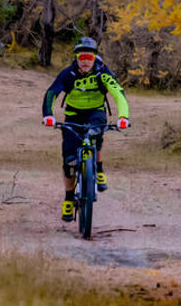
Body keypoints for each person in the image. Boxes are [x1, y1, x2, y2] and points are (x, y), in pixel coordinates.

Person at [42, 37, 129, 221]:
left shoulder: (102, 73)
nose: (85, 61)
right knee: (69, 162)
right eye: (82, 57)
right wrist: (48, 115)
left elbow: (118, 93)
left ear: (94, 57)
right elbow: (52, 92)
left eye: (89, 57)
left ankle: (98, 170)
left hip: (95, 113)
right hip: (72, 115)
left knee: (95, 135)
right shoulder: (68, 74)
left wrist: (123, 117)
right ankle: (68, 199)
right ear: (76, 57)